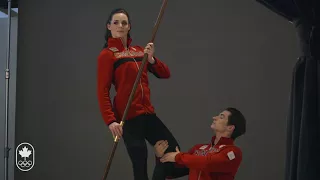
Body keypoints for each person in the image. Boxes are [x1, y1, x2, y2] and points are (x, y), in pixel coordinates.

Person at [96, 8, 180, 180]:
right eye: (116, 22)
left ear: (129, 27)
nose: (120, 26)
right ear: (109, 26)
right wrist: (111, 120)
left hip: (148, 114)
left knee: (172, 151)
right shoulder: (107, 55)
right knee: (140, 164)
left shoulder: (139, 50)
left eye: (124, 23)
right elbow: (102, 90)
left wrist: (151, 59)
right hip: (128, 117)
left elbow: (165, 73)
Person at [154, 107, 246, 180]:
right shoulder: (198, 148)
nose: (214, 118)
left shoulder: (233, 152)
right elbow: (171, 173)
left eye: (221, 117)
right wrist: (160, 156)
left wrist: (178, 157)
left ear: (230, 127)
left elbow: (208, 163)